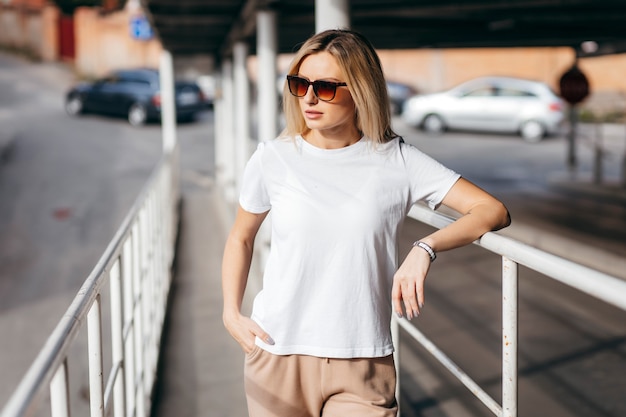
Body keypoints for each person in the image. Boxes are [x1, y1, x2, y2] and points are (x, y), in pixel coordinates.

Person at [222, 29, 511, 417]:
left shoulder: (398, 161)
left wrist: (425, 248)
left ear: (360, 90)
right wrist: (231, 313)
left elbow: (491, 210)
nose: (308, 97)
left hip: (363, 363)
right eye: (299, 83)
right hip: (278, 353)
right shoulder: (273, 158)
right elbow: (241, 237)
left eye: (324, 87)